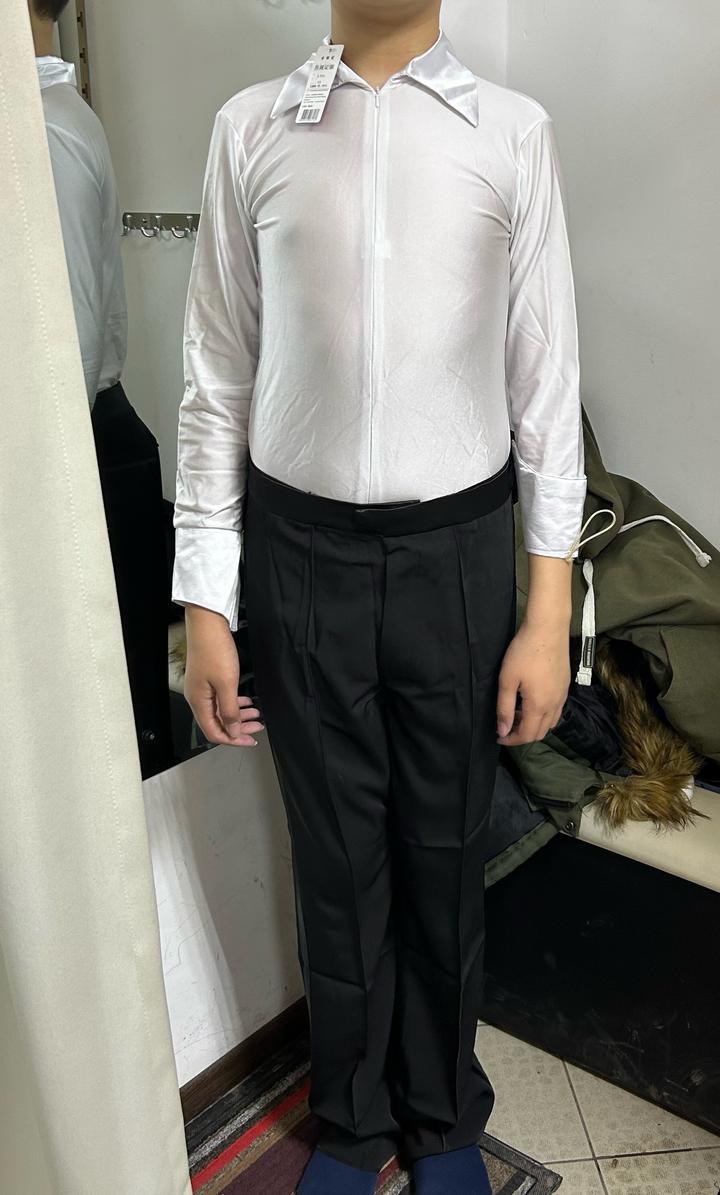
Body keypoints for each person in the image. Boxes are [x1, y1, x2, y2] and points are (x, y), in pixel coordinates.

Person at [172, 1, 587, 1191]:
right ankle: (353, 1120)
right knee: (335, 857)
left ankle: (443, 1114)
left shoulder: (510, 132)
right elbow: (215, 375)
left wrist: (547, 612)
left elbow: (546, 386)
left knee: (444, 850)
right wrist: (205, 602)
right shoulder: (252, 128)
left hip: (459, 553)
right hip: (296, 554)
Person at [32, 0, 174, 778]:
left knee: (106, 729)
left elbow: (71, 349)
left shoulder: (42, 130)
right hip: (82, 437)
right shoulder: (44, 114)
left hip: (78, 442)